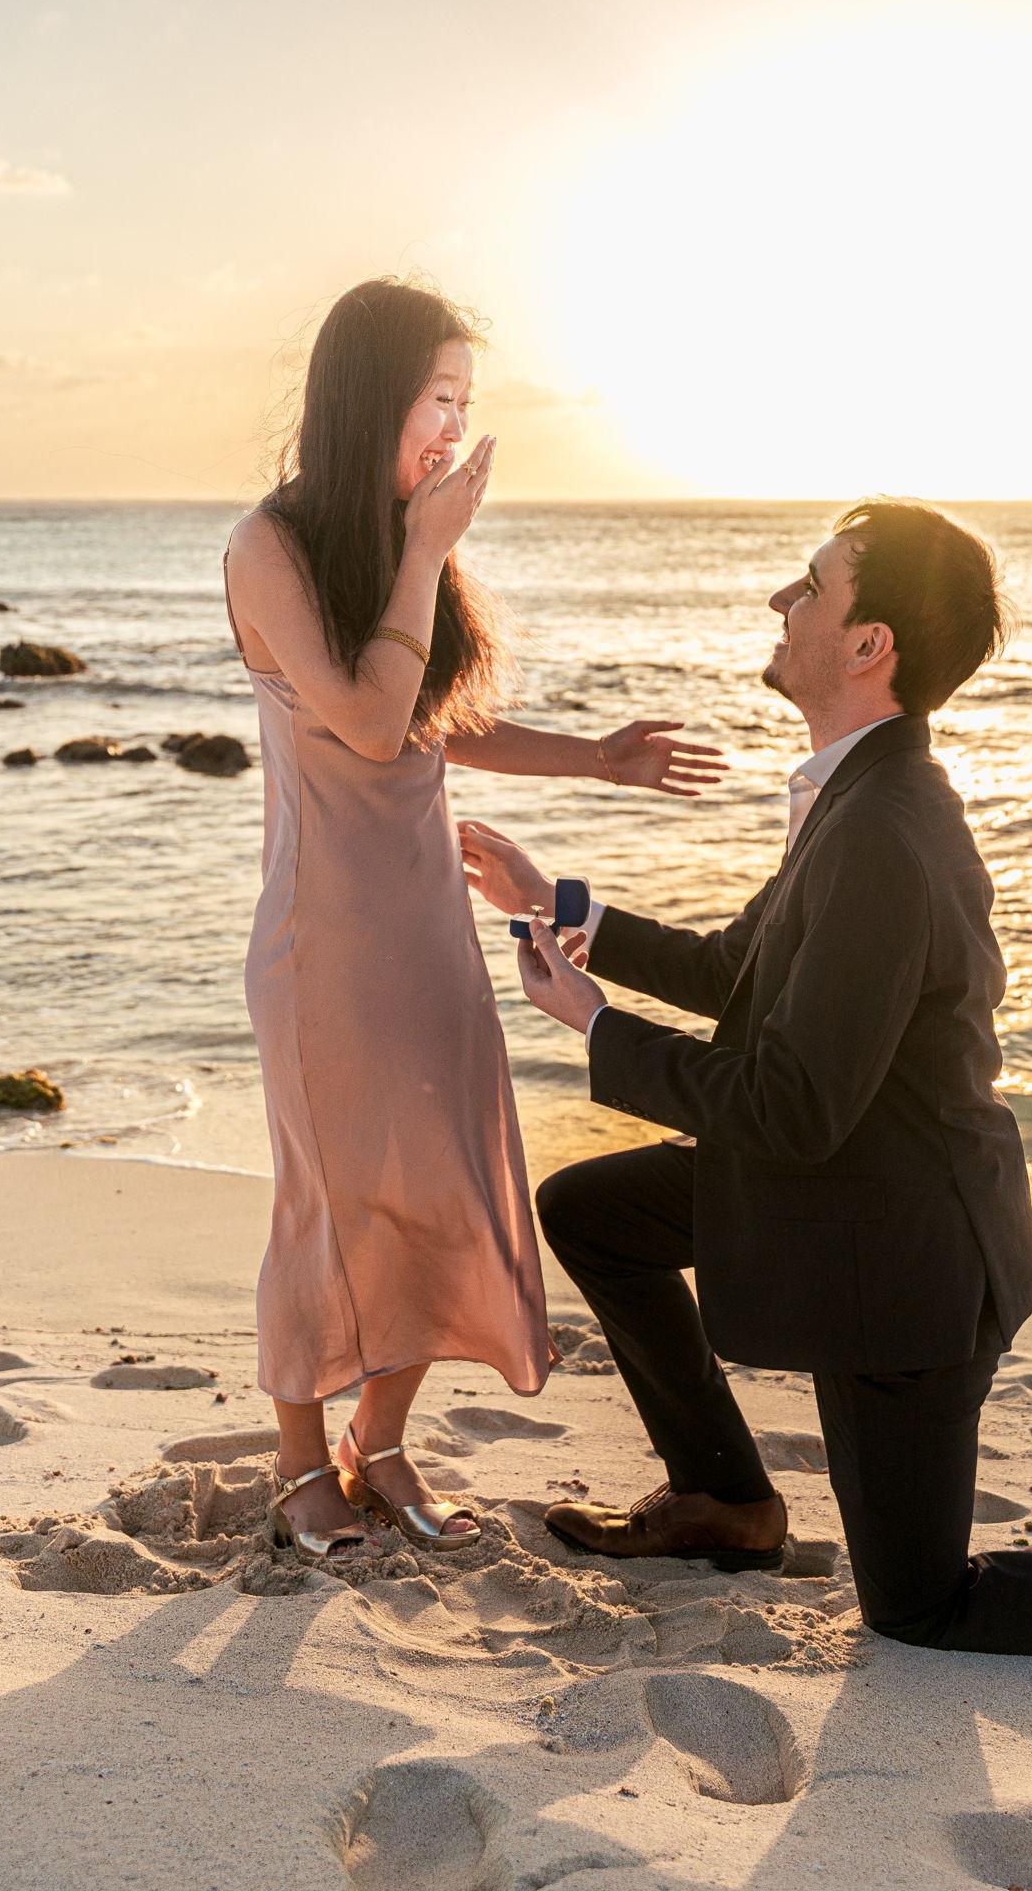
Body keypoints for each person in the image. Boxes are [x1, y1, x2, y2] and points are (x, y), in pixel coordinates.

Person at [459, 499, 1032, 1666]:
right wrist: (562, 907)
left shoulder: (885, 827)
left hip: (902, 1257)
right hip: (849, 1189)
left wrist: (592, 1022)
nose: (779, 604)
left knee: (921, 1605)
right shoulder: (853, 792)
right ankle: (723, 1498)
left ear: (864, 644)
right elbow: (742, 967)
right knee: (593, 1210)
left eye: (808, 587)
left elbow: (791, 1103)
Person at [222, 276, 728, 1558]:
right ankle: (298, 1464)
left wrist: (596, 760)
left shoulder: (403, 539)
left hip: (429, 939)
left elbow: (440, 715)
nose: (454, 426)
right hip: (323, 942)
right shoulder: (270, 547)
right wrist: (426, 548)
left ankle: (377, 1443)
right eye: (437, 397)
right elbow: (369, 717)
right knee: (330, 1205)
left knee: (449, 1192)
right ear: (370, 395)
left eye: (465, 402)